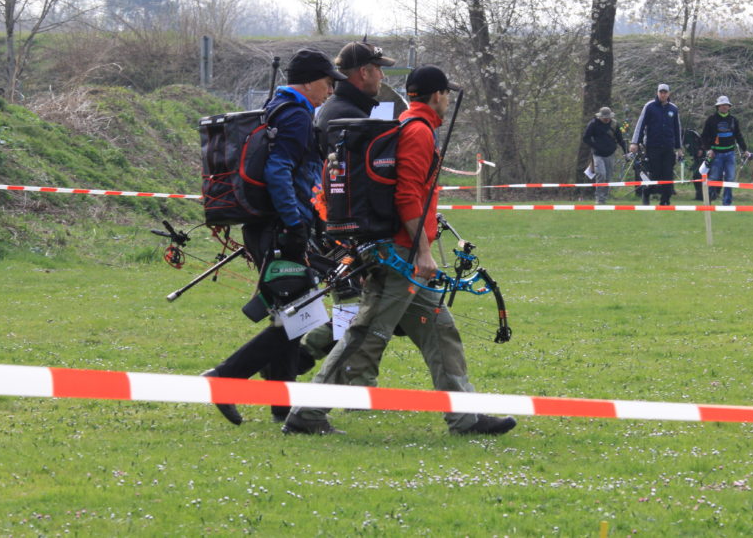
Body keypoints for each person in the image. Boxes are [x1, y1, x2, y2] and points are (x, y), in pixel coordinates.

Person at [283, 65, 517, 436]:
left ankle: (465, 417)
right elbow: (407, 195)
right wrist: (423, 253)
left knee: (441, 331)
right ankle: (306, 414)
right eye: (447, 94)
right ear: (438, 95)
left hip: (402, 253)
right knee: (365, 335)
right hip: (401, 256)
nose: (448, 101)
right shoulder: (418, 132)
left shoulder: (408, 124)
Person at [201, 48, 347, 426]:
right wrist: (294, 223)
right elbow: (278, 170)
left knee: (292, 316)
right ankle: (225, 378)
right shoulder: (296, 114)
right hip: (281, 228)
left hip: (269, 225)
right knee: (301, 315)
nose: (331, 91)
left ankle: (283, 406)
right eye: (328, 82)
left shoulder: (279, 108)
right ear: (310, 81)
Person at [301, 40, 399, 365]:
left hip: (336, 225)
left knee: (363, 307)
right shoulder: (346, 116)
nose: (382, 76)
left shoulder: (343, 109)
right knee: (356, 306)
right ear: (364, 72)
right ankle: (302, 359)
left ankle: (304, 358)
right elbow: (352, 182)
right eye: (379, 69)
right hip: (341, 229)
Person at [630, 83, 683, 205]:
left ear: (668, 94)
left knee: (668, 174)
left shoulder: (673, 109)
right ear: (657, 93)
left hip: (668, 147)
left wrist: (679, 148)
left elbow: (677, 129)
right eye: (661, 92)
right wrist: (635, 142)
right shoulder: (649, 107)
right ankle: (646, 193)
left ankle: (665, 200)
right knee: (654, 173)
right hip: (653, 146)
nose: (663, 95)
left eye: (665, 92)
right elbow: (640, 125)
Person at [700, 95, 749, 206]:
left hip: (730, 154)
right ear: (718, 107)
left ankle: (727, 203)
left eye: (726, 105)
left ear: (729, 107)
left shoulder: (733, 120)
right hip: (716, 154)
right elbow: (704, 136)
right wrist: (708, 149)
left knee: (730, 178)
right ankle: (708, 200)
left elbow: (738, 136)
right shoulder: (711, 119)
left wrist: (745, 149)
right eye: (722, 105)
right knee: (714, 178)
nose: (724, 107)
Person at [582, 106, 628, 204]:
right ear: (600, 116)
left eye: (608, 117)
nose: (607, 119)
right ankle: (599, 198)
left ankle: (604, 198)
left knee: (608, 177)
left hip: (610, 154)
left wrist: (626, 152)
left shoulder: (615, 124)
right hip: (598, 154)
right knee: (601, 174)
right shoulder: (593, 124)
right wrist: (595, 146)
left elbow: (620, 140)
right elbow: (586, 138)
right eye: (605, 117)